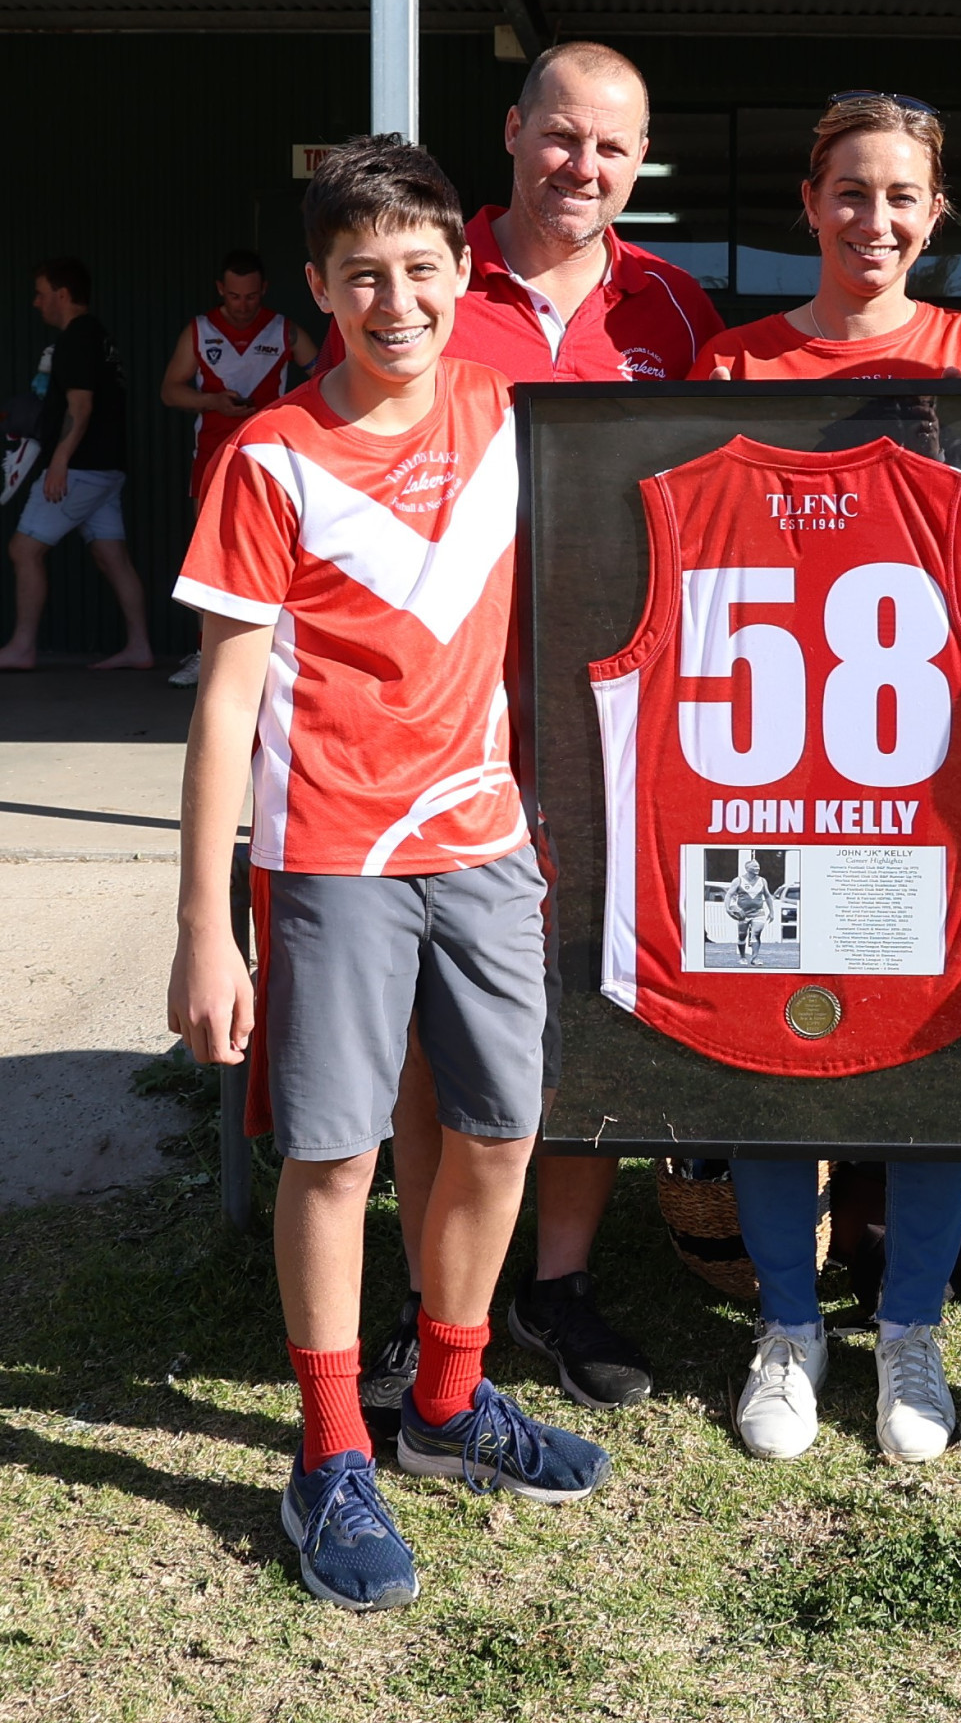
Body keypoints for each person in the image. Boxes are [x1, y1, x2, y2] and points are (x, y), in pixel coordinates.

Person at [168, 135, 610, 1613]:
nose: (396, 298)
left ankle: (445, 1399)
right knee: (335, 1155)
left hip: (481, 844)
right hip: (333, 860)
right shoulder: (270, 458)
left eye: (421, 269)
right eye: (362, 273)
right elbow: (225, 703)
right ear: (318, 289)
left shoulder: (509, 419)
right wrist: (202, 933)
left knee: (497, 1130)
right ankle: (328, 1448)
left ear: (461, 273)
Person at [359, 42, 725, 1432]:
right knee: (421, 1035)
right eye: (561, 138)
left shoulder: (676, 310)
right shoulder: (431, 290)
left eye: (613, 151)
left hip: (620, 725)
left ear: (640, 167)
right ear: (510, 134)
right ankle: (420, 1293)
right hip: (440, 718)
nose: (582, 168)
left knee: (584, 1011)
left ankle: (553, 1287)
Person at [693, 90, 961, 1466]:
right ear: (807, 202)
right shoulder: (730, 368)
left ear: (934, 211)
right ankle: (788, 1325)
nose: (873, 219)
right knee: (774, 1045)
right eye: (848, 192)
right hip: (768, 770)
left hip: (931, 773)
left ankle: (907, 1330)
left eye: (900, 195)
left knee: (928, 1047)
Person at [158, 248, 318, 687]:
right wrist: (212, 401)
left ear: (263, 290)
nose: (242, 305)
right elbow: (170, 391)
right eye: (233, 296)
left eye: (250, 296)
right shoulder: (200, 330)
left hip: (275, 459)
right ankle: (203, 655)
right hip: (211, 457)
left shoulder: (284, 330)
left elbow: (325, 374)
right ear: (220, 291)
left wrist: (288, 411)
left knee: (280, 555)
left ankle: (272, 657)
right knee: (210, 557)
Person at [0, 258, 152, 673]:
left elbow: (79, 407)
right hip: (105, 468)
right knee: (111, 556)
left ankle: (21, 648)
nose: (36, 303)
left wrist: (59, 462)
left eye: (41, 293)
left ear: (62, 295)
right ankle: (140, 647)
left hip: (81, 469)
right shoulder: (97, 336)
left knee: (24, 549)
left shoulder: (76, 339)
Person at [726, 854, 776, 966]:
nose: (757, 869)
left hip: (758, 912)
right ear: (747, 868)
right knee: (742, 935)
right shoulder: (738, 880)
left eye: (758, 867)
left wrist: (772, 912)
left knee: (756, 933)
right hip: (743, 914)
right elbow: (729, 895)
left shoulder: (762, 881)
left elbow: (768, 896)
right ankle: (743, 957)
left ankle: (755, 958)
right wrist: (727, 909)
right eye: (754, 867)